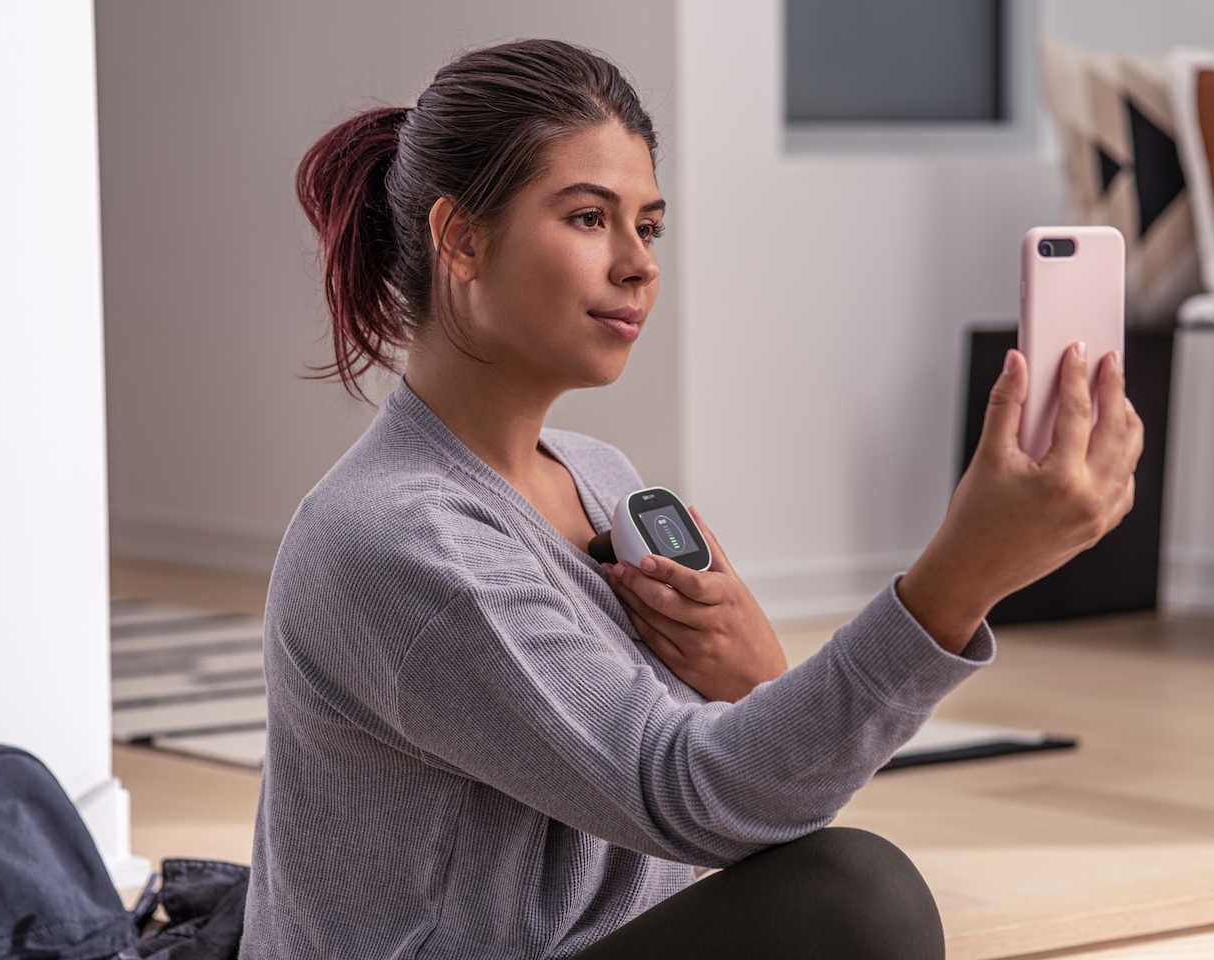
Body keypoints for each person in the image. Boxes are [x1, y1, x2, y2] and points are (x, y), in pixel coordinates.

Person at [239, 37, 1143, 960]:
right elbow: (684, 796)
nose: (639, 264)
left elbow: (750, 806)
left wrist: (755, 677)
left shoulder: (599, 479)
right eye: (590, 218)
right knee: (856, 900)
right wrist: (960, 578)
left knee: (840, 889)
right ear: (461, 240)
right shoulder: (397, 541)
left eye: (651, 226)